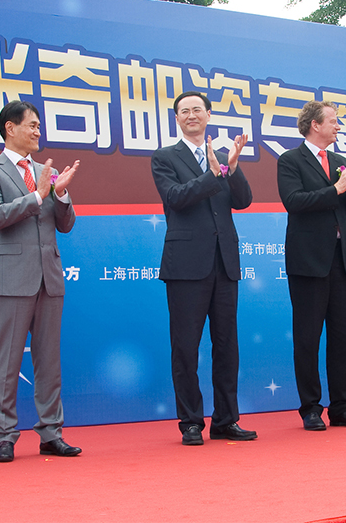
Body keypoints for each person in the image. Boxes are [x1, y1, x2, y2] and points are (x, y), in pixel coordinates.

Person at [0, 100, 82, 462]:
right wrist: (39, 195)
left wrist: (61, 194)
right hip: (12, 280)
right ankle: (4, 436)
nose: (38, 131)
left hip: (49, 279)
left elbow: (65, 225)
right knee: (6, 363)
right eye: (32, 125)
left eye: (38, 125)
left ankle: (51, 433)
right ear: (10, 128)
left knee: (49, 362)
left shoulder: (47, 172)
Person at [150, 91, 257, 446]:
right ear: (177, 119)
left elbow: (243, 201)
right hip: (185, 265)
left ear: (209, 115)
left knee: (227, 346)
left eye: (197, 109)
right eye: (185, 111)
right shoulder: (165, 157)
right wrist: (213, 174)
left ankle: (226, 420)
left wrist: (233, 169)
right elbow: (175, 198)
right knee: (186, 347)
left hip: (224, 263)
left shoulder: (225, 157)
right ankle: (191, 422)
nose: (191, 115)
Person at [277, 100, 346, 430]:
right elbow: (294, 202)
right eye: (333, 121)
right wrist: (338, 188)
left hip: (340, 259)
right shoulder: (290, 160)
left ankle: (343, 406)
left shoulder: (340, 162)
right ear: (314, 125)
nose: (338, 126)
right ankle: (311, 408)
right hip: (308, 261)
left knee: (344, 336)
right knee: (308, 338)